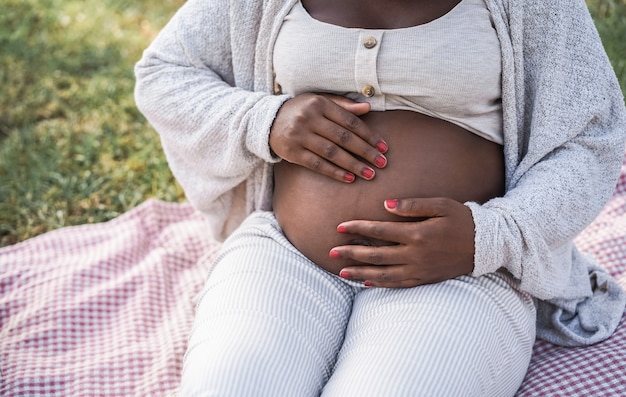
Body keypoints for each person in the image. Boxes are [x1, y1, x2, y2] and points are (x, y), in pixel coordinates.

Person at [134, 0, 626, 395]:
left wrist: (489, 236)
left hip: (464, 273)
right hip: (285, 252)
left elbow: (589, 136)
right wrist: (265, 120)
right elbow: (165, 73)